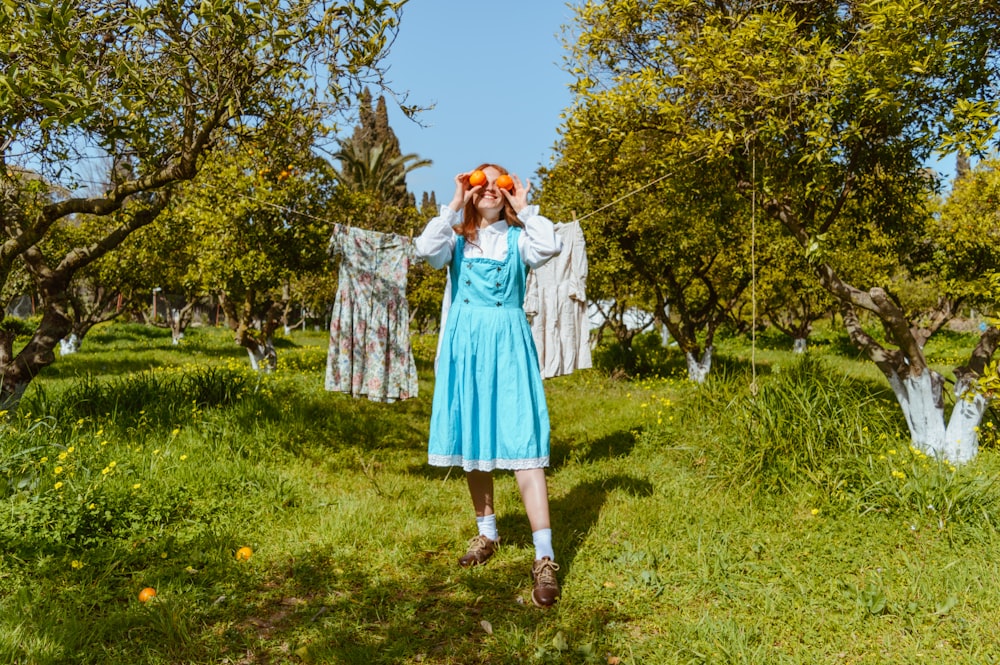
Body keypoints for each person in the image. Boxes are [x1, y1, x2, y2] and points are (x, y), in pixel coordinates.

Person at [414, 163, 563, 608]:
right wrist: (456, 202)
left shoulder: (520, 239)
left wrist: (524, 205)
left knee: (523, 441)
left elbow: (550, 245)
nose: (491, 189)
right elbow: (424, 249)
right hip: (467, 347)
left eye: (500, 183)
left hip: (510, 344)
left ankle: (544, 556)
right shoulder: (455, 239)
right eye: (484, 182)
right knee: (474, 440)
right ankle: (488, 535)